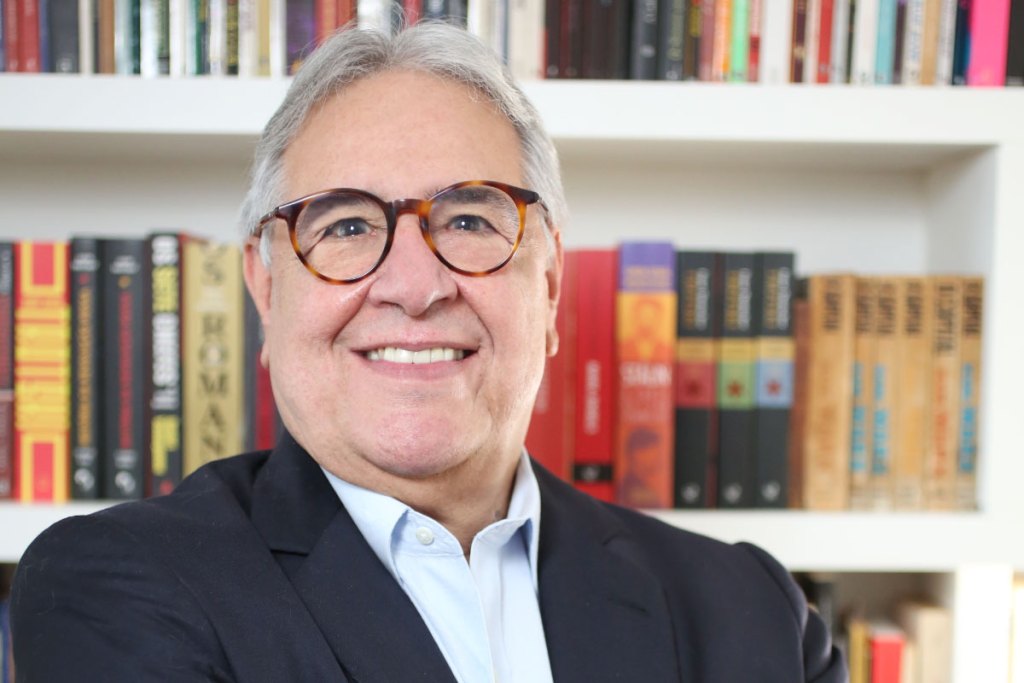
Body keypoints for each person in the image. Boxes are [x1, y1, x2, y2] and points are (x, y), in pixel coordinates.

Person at [11, 22, 846, 682]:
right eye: (345, 225)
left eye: (470, 221)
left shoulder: (752, 614)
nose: (415, 286)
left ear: (550, 284)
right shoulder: (120, 585)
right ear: (266, 289)